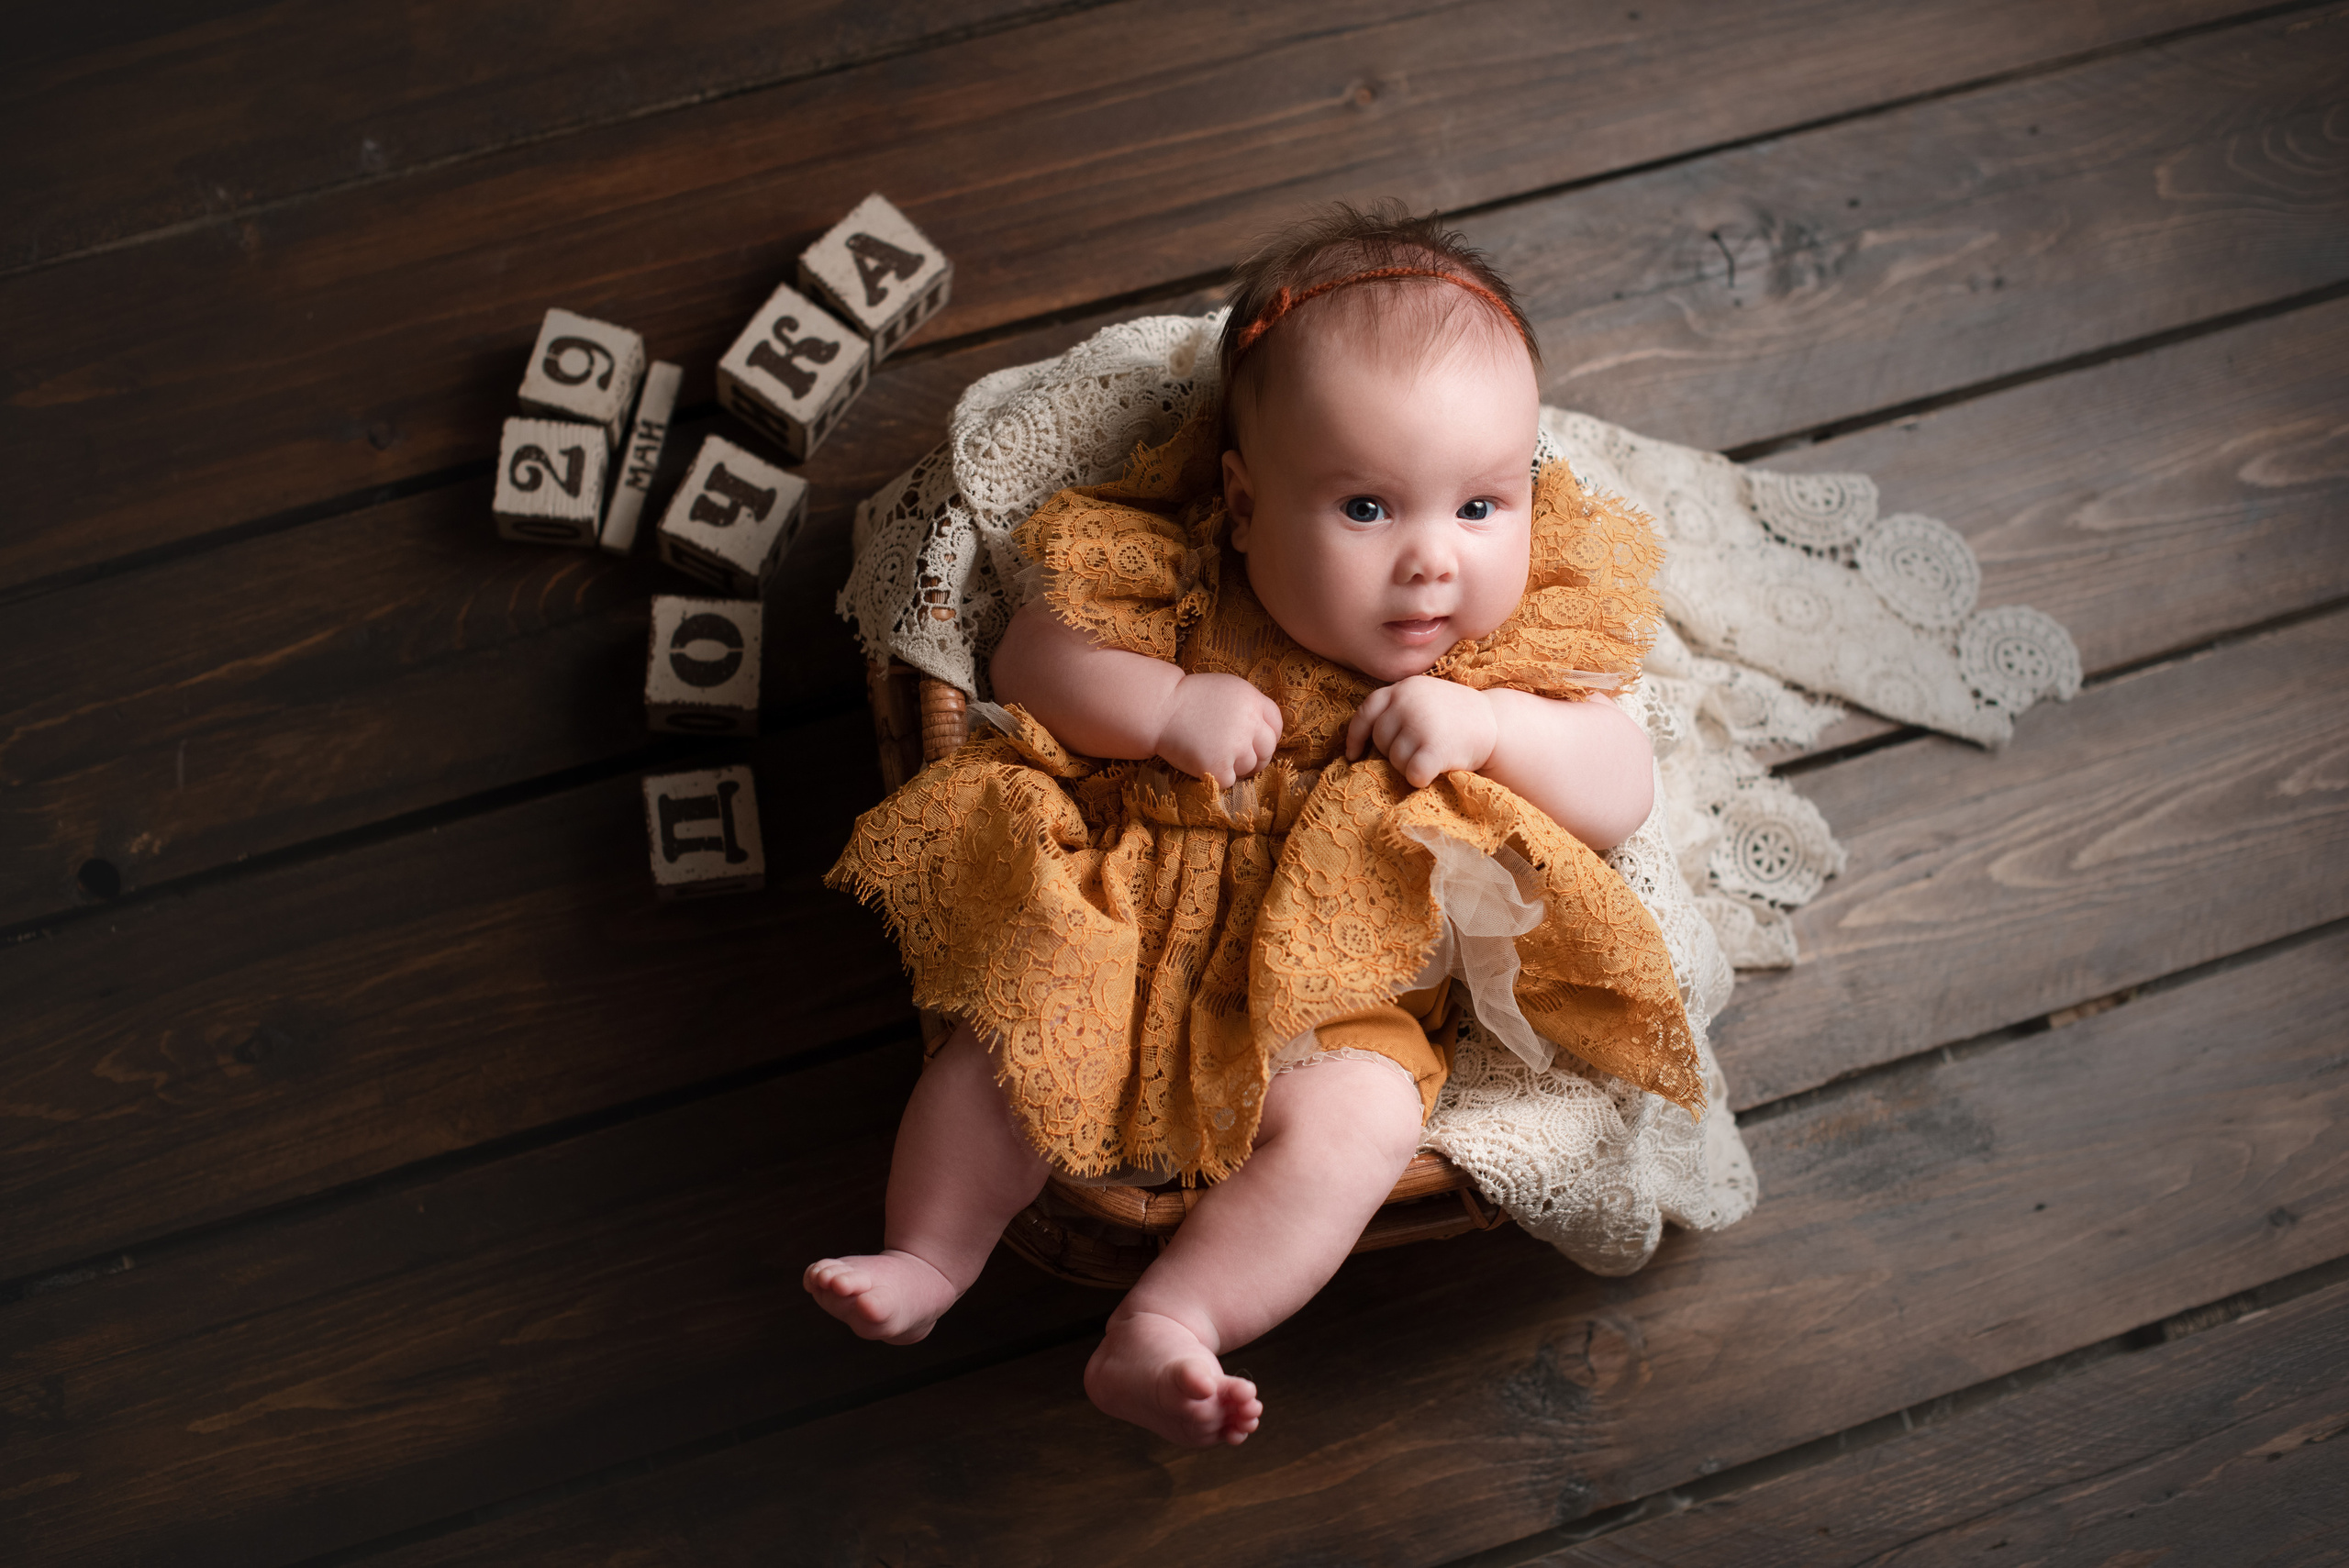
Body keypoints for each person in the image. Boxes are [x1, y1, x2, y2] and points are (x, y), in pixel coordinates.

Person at [811, 204, 1699, 1447]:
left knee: (1365, 1126)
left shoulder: (1510, 653)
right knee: (1010, 1039)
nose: (1433, 564)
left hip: (1340, 989)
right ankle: (930, 1255)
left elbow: (1620, 787)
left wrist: (1493, 731)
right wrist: (1168, 703)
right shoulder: (1177, 567)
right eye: (1368, 509)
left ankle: (1173, 1322)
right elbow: (1033, 658)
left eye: (1481, 506)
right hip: (1128, 913)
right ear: (1241, 498)